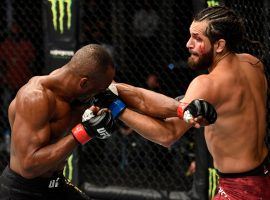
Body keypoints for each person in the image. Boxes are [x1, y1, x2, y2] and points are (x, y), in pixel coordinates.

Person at [94, 6, 269, 199]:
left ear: (219, 45)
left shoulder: (207, 84)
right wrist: (115, 88)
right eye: (190, 36)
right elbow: (159, 103)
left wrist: (116, 108)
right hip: (263, 177)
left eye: (197, 38)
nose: (188, 44)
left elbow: (167, 135)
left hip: (238, 189)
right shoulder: (253, 64)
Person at [0, 44, 116, 200]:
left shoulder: (74, 94)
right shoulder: (36, 98)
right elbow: (28, 166)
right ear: (83, 83)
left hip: (56, 184)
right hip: (22, 192)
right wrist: (85, 131)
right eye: (98, 90)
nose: (97, 96)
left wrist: (98, 115)